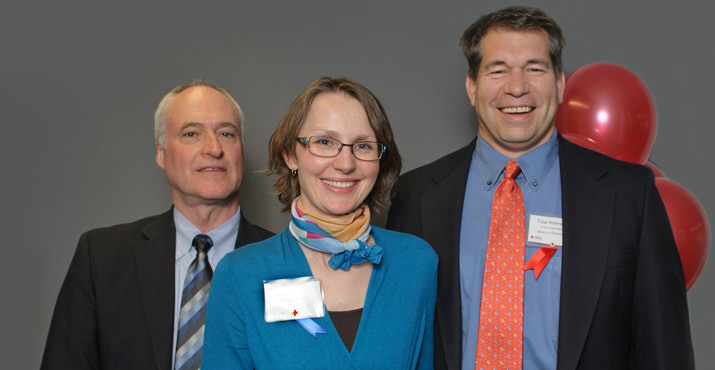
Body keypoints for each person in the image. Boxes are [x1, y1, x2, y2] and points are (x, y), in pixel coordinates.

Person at [386, 6, 694, 370]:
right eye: (498, 70)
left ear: (561, 83)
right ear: (472, 87)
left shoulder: (630, 196)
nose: (517, 88)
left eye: (535, 68)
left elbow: (665, 352)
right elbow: (397, 342)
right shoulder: (415, 197)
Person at [202, 77, 437, 369]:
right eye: (325, 142)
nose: (345, 164)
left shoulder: (416, 263)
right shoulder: (241, 275)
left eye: (363, 146)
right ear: (290, 155)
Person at [40, 79, 274, 370]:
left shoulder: (291, 264)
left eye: (227, 133)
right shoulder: (101, 259)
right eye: (191, 133)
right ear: (161, 153)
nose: (214, 148)